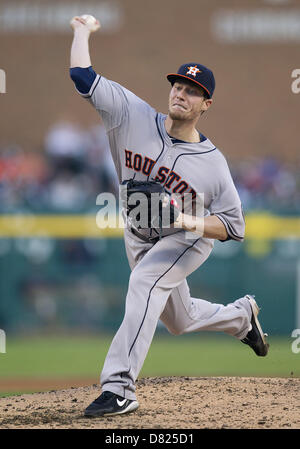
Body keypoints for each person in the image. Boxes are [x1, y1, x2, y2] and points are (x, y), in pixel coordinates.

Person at [69, 16, 269, 418]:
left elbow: (233, 226)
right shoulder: (131, 115)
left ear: (205, 104)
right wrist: (81, 31)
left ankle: (120, 388)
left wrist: (189, 222)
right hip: (139, 234)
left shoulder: (213, 165)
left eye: (192, 91)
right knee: (178, 319)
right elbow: (82, 75)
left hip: (185, 240)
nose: (181, 93)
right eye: (178, 85)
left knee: (144, 281)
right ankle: (241, 316)